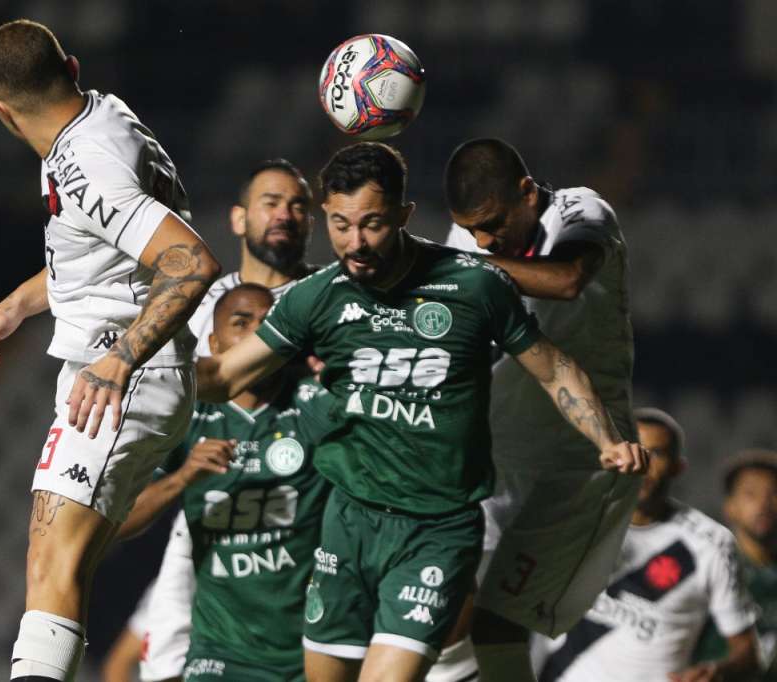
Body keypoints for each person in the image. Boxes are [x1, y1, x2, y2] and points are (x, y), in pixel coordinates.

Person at [195, 142, 647, 682]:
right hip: (349, 523)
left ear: (404, 216)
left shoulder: (472, 283)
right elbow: (222, 376)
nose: (356, 243)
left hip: (437, 529)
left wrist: (607, 439)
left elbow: (552, 367)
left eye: (372, 224)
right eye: (340, 225)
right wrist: (130, 365)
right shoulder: (315, 297)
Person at [0, 20, 220, 682]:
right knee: (57, 557)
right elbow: (105, 255)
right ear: (71, 67)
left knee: (55, 565)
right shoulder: (100, 119)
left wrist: (118, 360)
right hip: (118, 370)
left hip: (120, 374)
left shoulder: (87, 165)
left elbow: (190, 263)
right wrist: (16, 305)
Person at [437, 137, 640, 682]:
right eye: (472, 228)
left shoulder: (582, 211)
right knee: (442, 619)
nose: (484, 239)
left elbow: (567, 280)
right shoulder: (468, 239)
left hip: (581, 466)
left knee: (497, 626)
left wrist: (450, 262)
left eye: (493, 223)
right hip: (495, 466)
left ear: (527, 192)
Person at [116, 283, 331, 681]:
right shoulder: (189, 417)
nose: (257, 336)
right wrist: (183, 478)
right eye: (242, 323)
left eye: (268, 324)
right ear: (214, 344)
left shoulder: (312, 402)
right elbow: (118, 522)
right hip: (218, 651)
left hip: (308, 652)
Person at [537, 408, 760, 682]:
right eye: (633, 450)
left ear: (678, 468)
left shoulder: (711, 543)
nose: (641, 464)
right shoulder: (573, 521)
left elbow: (748, 653)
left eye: (655, 454)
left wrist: (717, 671)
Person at [186, 158, 315, 357]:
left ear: (310, 225)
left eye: (298, 208)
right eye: (271, 203)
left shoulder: (331, 294)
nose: (285, 215)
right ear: (239, 220)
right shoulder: (200, 309)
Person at [695, 448, 777, 678]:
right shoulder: (704, 569)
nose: (764, 504)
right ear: (730, 507)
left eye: (774, 493)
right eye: (751, 494)